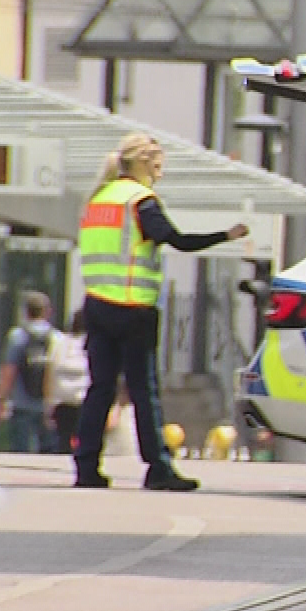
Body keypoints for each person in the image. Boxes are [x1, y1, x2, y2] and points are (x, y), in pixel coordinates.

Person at [72, 133, 248, 490]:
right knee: (144, 392)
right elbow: (178, 240)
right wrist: (226, 236)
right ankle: (158, 468)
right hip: (133, 309)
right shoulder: (140, 202)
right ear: (141, 162)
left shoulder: (98, 199)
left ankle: (86, 467)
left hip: (97, 306)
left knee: (100, 389)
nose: (160, 173)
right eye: (156, 165)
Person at [0, 291, 57, 454]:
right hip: (47, 405)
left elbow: (9, 370)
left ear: (26, 312)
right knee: (49, 452)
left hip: (21, 403)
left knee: (20, 450)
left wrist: (1, 398)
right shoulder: (56, 338)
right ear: (47, 312)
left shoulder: (17, 336)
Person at [44, 307, 91, 457]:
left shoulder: (59, 342)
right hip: (84, 398)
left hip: (62, 400)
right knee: (85, 438)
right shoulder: (92, 343)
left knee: (63, 439)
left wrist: (48, 401)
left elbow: (49, 372)